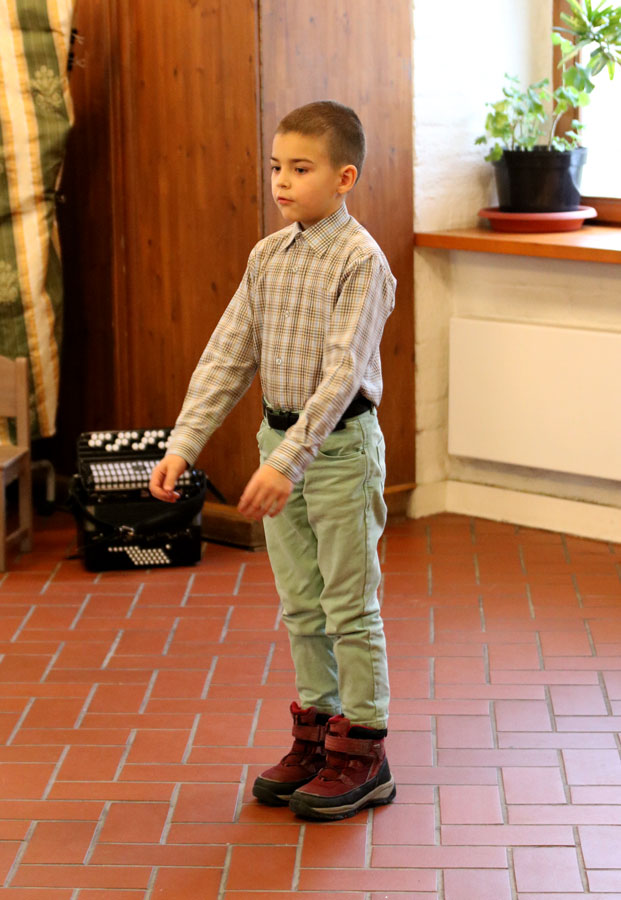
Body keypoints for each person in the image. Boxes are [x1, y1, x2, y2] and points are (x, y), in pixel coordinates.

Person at [150, 99, 396, 821]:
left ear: (344, 177)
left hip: (338, 451)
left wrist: (287, 462)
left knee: (349, 602)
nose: (282, 181)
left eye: (301, 168)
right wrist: (183, 443)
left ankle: (364, 749)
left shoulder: (362, 262)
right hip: (278, 445)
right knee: (301, 603)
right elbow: (228, 355)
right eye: (276, 167)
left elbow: (341, 376)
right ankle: (318, 735)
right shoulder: (267, 257)